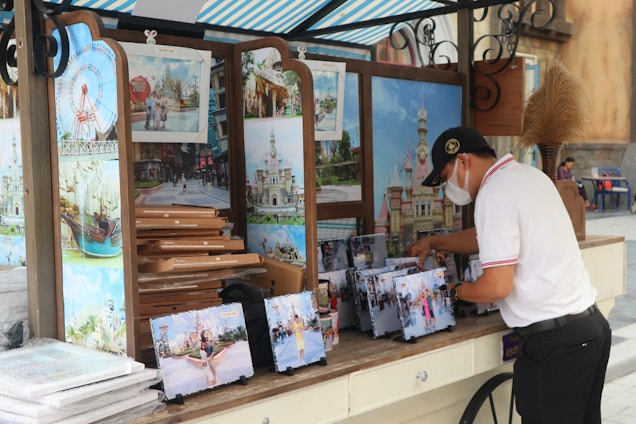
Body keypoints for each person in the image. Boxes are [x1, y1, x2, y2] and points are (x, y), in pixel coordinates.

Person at [409, 126, 611, 423]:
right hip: (590, 331)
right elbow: (487, 238)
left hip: (556, 347)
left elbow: (496, 287)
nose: (446, 188)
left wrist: (451, 290)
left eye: (446, 176)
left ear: (464, 161)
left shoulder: (494, 195)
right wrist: (435, 241)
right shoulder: (528, 176)